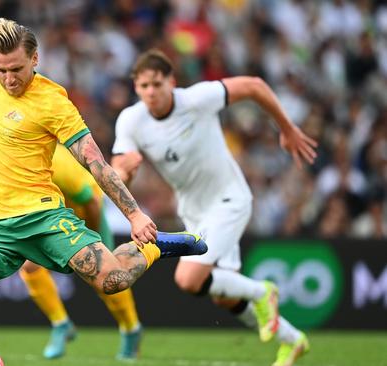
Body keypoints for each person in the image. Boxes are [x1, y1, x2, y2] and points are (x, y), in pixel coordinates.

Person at [0, 19, 206, 366]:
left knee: (113, 280)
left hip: (41, 217)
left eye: (16, 69)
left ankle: (153, 247)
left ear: (35, 59)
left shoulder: (53, 103)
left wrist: (135, 215)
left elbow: (95, 163)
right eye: (1, 69)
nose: (8, 78)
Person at [111, 49, 318, 366]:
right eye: (143, 86)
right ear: (136, 88)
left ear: (172, 82)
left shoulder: (196, 99)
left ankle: (264, 292)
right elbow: (119, 169)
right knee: (225, 296)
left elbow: (254, 86)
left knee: (188, 279)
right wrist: (127, 169)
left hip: (229, 199)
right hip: (193, 210)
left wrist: (287, 129)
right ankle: (292, 341)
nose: (151, 92)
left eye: (157, 84)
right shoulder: (131, 119)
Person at [19, 144, 142, 360]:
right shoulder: (16, 162)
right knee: (30, 268)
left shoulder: (54, 162)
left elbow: (91, 200)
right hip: (55, 216)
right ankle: (61, 324)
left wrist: (94, 238)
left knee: (106, 276)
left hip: (87, 210)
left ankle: (131, 329)